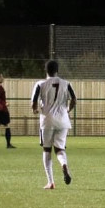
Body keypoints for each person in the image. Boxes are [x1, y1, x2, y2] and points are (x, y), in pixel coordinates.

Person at [31, 59, 76, 190]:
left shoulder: (41, 84)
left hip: (47, 120)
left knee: (46, 149)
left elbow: (34, 101)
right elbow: (74, 99)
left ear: (46, 70)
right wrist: (68, 110)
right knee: (60, 149)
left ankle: (50, 182)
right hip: (63, 120)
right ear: (57, 71)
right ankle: (64, 165)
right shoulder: (66, 83)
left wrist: (34, 109)